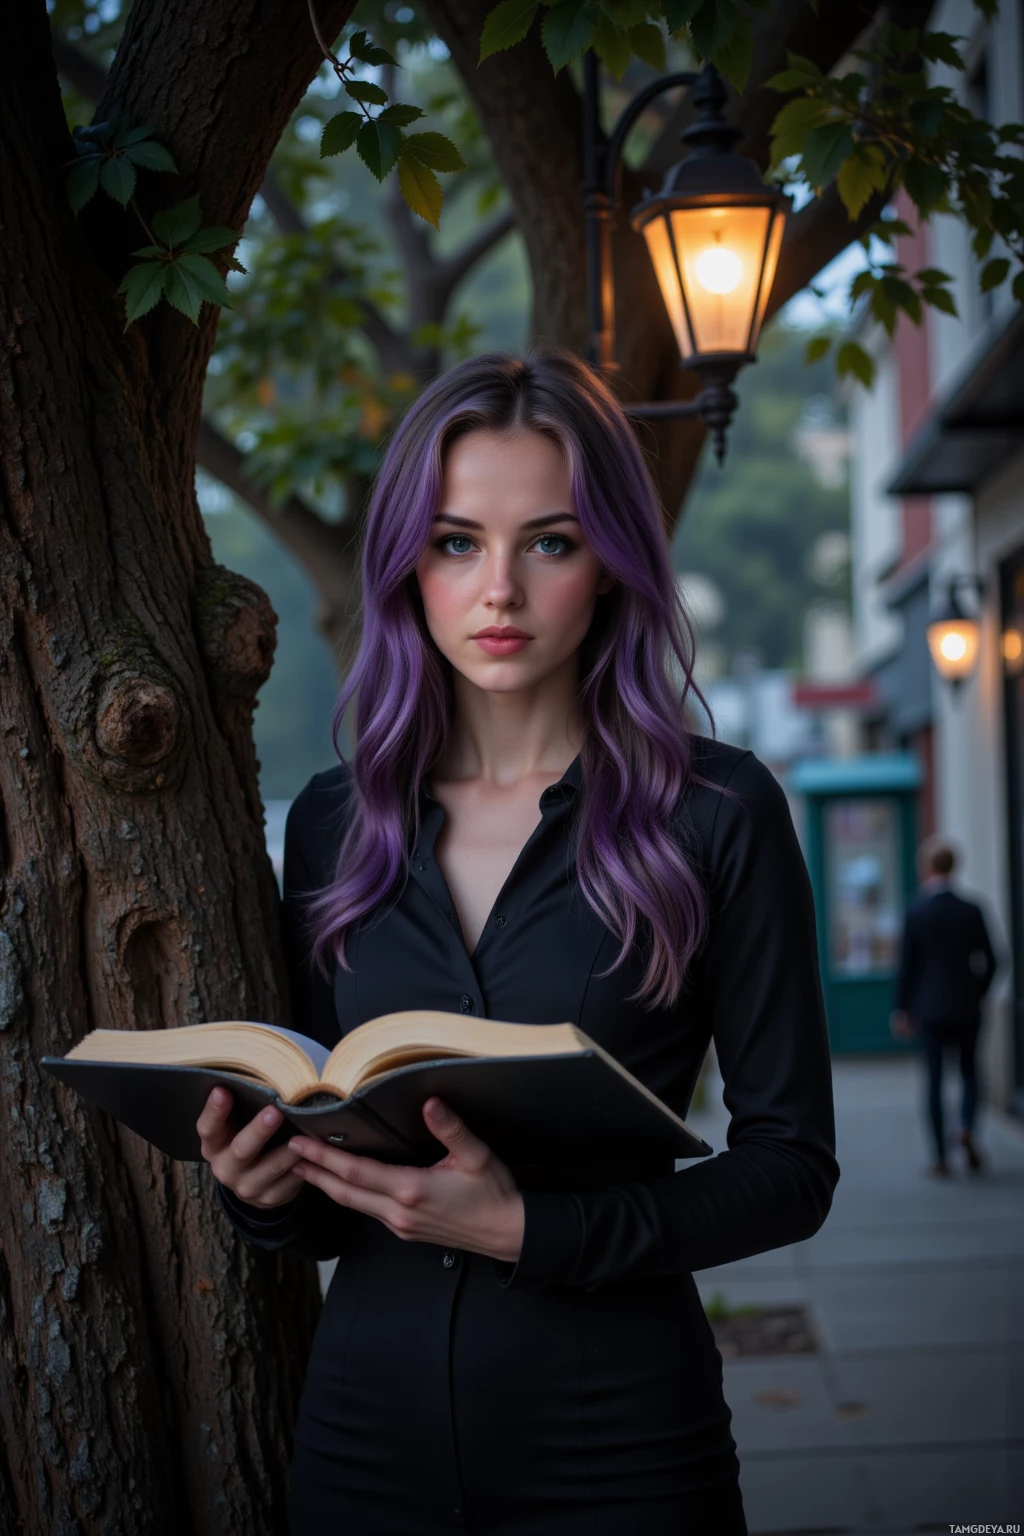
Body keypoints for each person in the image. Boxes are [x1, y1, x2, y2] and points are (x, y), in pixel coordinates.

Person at [196, 347, 841, 1535]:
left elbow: (791, 1169)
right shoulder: (337, 820)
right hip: (361, 1439)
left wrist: (536, 1232)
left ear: (611, 564)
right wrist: (262, 1192)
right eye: (455, 542)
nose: (498, 590)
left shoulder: (716, 811)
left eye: (549, 542)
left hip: (621, 1445)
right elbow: (336, 1184)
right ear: (407, 564)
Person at [890, 836, 998, 1179]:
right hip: (966, 1006)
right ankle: (965, 1126)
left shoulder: (916, 911)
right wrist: (978, 992)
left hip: (930, 1008)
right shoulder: (971, 909)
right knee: (969, 1073)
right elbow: (993, 959)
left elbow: (907, 966)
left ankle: (939, 1157)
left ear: (926, 868)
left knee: (934, 1081)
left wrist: (902, 1009)